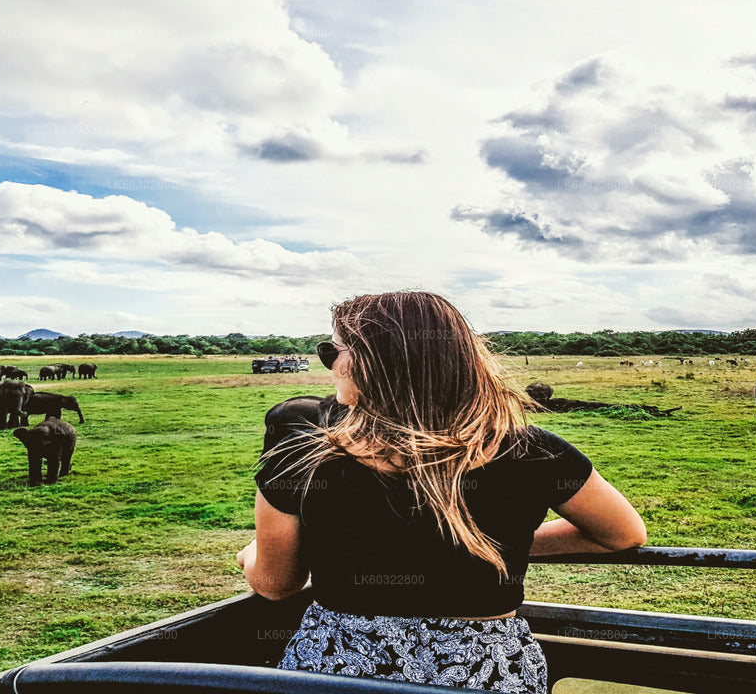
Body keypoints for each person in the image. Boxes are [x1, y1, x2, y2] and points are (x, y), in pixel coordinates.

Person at [237, 291, 646, 694]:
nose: (331, 365)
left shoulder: (301, 459)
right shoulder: (536, 451)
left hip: (337, 670)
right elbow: (622, 534)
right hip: (486, 674)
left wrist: (251, 553)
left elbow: (276, 584)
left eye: (333, 351)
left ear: (372, 363)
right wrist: (498, 545)